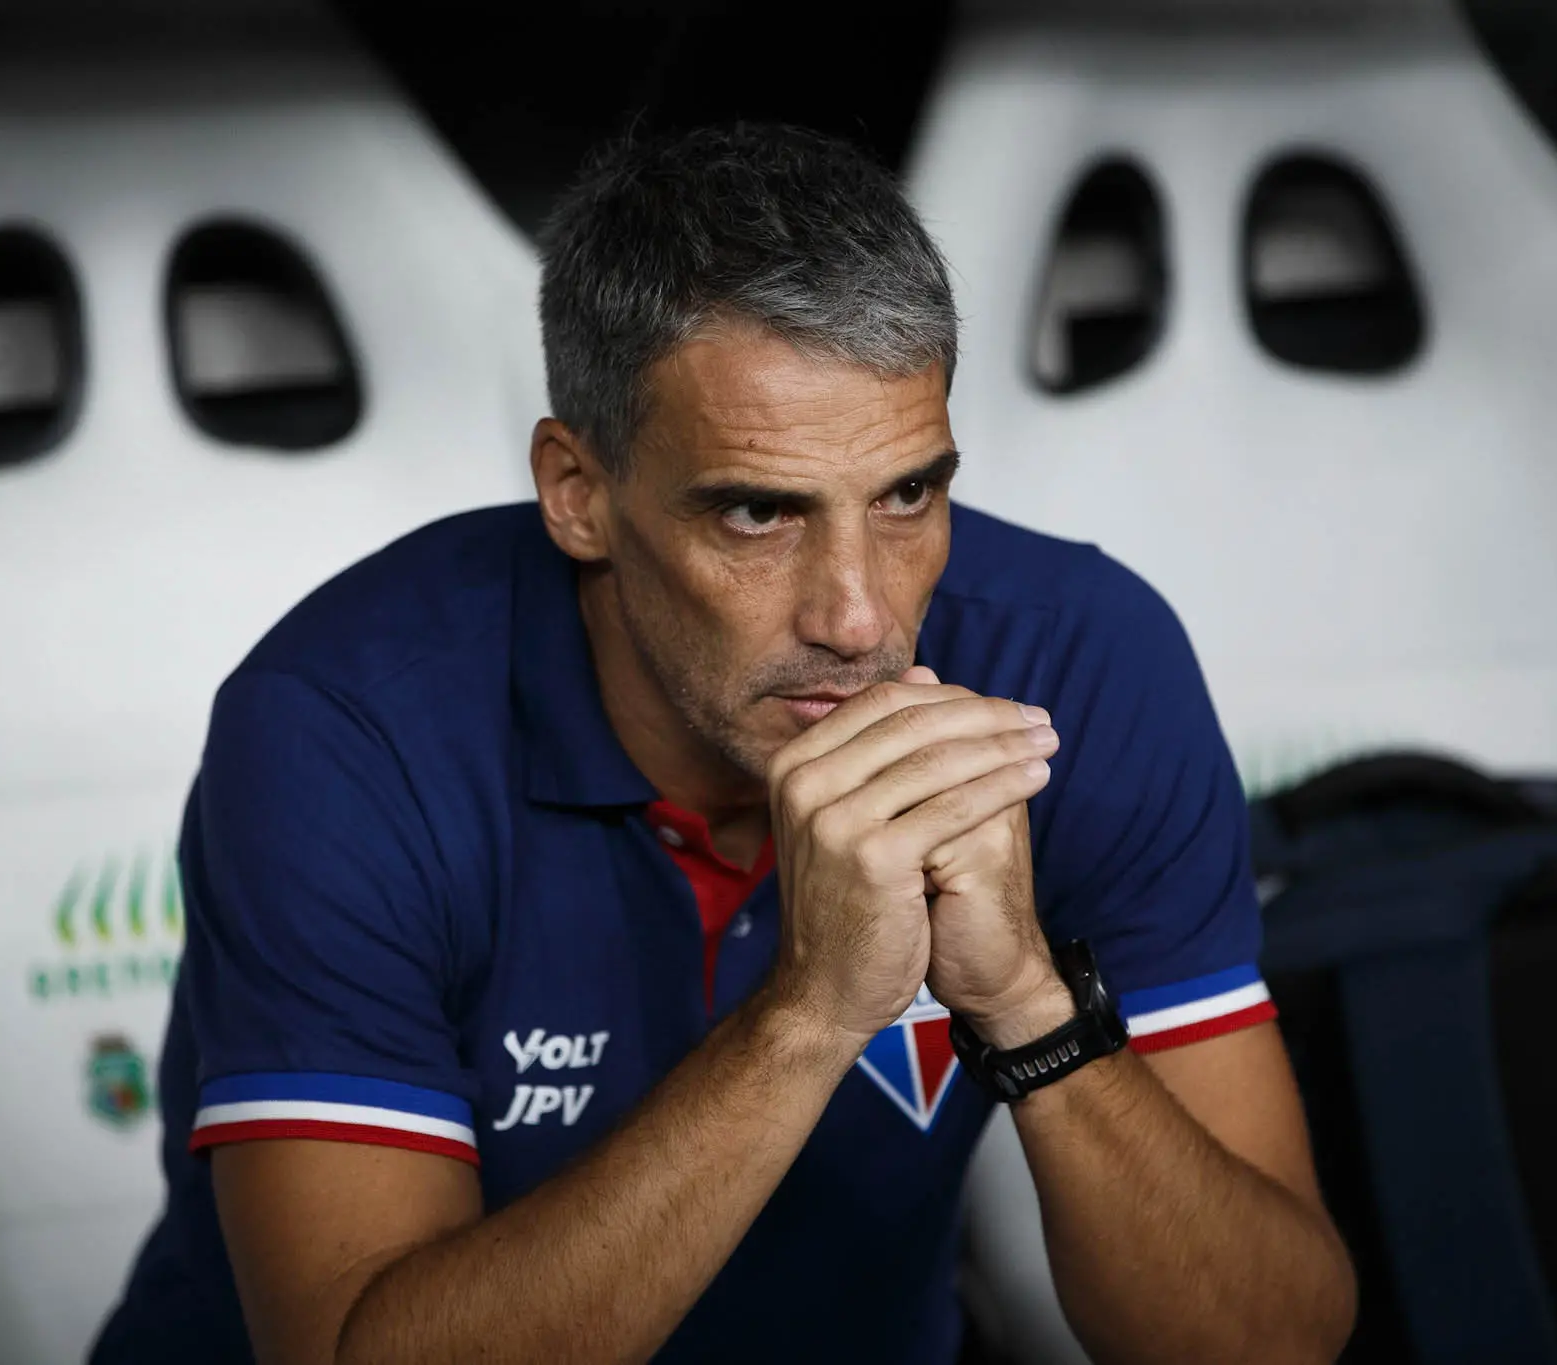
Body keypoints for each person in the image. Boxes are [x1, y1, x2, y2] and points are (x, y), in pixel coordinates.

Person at [93, 123, 1355, 1365]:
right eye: (758, 512)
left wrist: (1028, 1006)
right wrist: (809, 1014)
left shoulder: (1074, 668)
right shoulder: (346, 733)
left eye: (908, 495)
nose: (857, 616)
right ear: (576, 494)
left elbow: (1273, 1342)